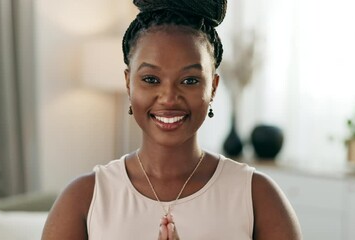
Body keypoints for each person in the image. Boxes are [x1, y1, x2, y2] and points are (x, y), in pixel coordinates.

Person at [42, 0, 302, 239]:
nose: (168, 98)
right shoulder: (84, 198)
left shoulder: (258, 196)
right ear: (128, 83)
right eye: (151, 80)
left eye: (190, 80)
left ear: (213, 86)